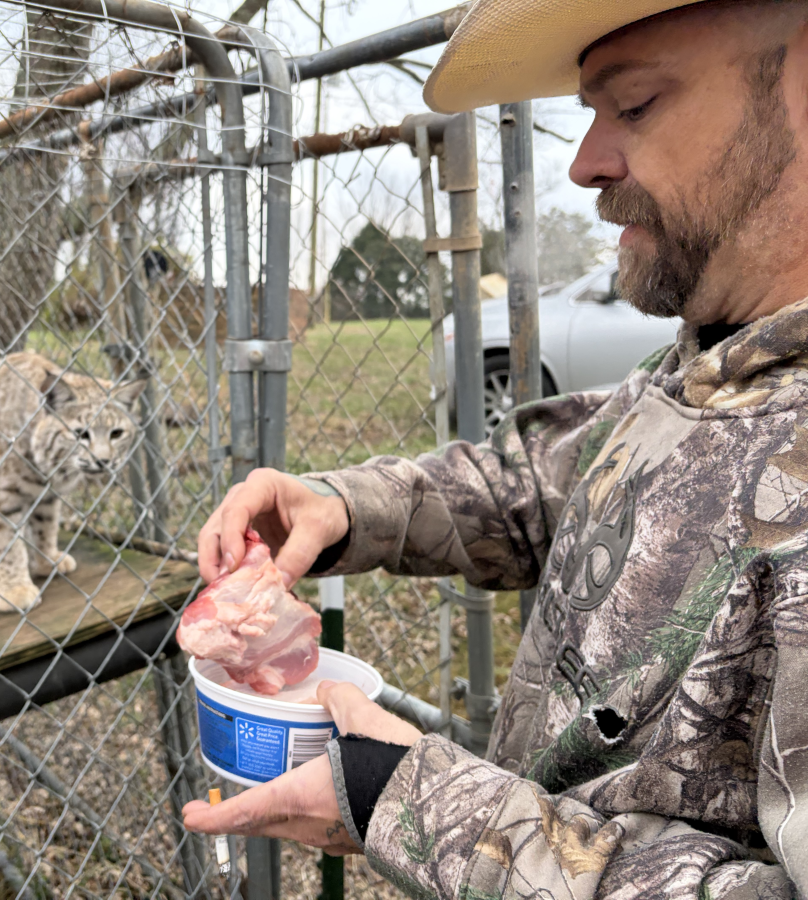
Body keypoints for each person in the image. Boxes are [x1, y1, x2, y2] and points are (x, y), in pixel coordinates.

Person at [181, 2, 808, 898]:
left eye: (634, 104)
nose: (586, 162)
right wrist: (343, 505)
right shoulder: (719, 359)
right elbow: (547, 484)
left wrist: (416, 803)